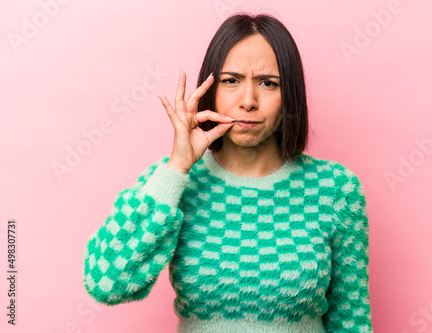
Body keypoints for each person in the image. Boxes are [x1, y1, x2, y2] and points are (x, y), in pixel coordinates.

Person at [83, 12, 374, 333]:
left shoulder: (335, 188)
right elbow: (106, 283)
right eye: (231, 80)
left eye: (268, 83)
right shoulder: (170, 183)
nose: (248, 101)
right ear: (210, 90)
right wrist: (177, 167)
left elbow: (351, 319)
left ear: (289, 94)